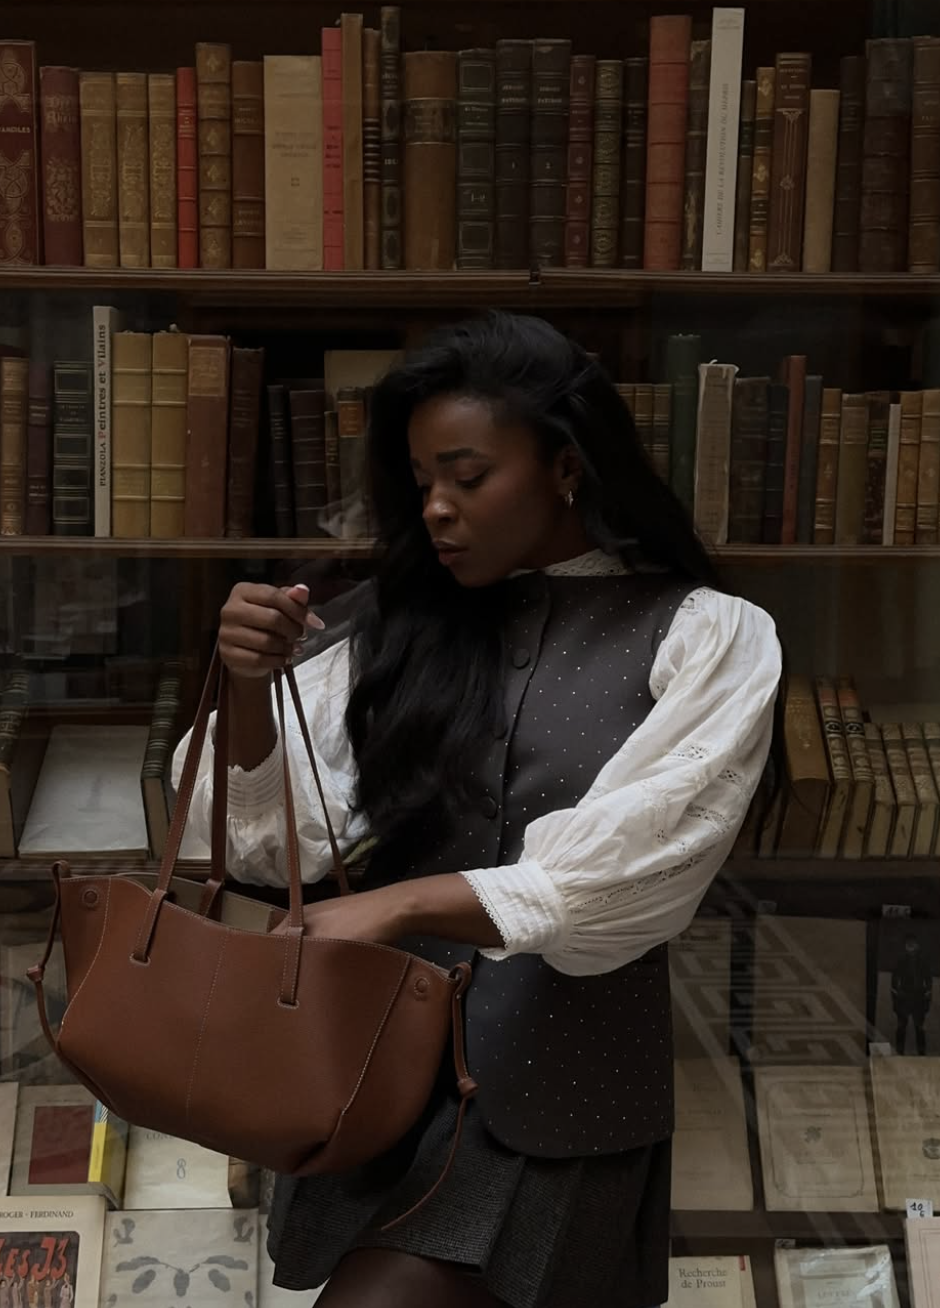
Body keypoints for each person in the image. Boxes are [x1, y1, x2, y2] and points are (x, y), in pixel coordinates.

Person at [174, 312, 782, 1308]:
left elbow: (623, 881)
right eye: (422, 485)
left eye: (467, 477)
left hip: (552, 1106)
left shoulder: (707, 636)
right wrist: (247, 685)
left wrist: (403, 903)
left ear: (566, 469)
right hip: (370, 1085)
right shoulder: (388, 630)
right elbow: (263, 843)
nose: (438, 510)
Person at [892, 934, 934, 1056]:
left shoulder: (923, 961)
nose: (911, 946)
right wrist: (896, 999)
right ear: (905, 946)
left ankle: (921, 1053)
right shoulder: (901, 961)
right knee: (901, 1027)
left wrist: (927, 998)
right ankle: (900, 1052)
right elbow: (894, 980)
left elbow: (928, 980)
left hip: (919, 998)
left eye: (913, 944)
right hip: (904, 998)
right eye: (908, 944)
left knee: (919, 1027)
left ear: (917, 946)